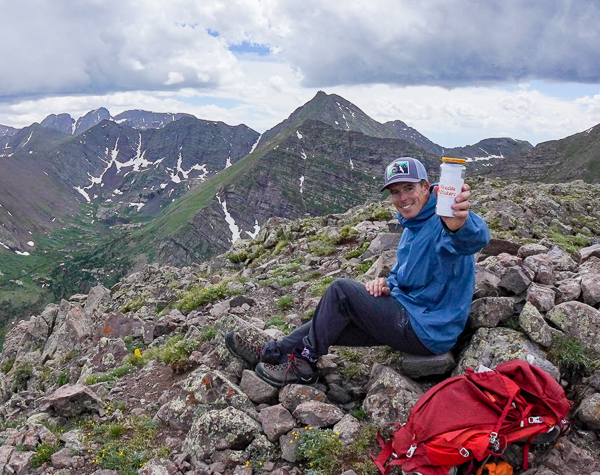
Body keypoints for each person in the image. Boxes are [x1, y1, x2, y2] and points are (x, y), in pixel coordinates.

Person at [226, 157, 490, 387]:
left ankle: (305, 365)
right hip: (411, 313)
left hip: (429, 330)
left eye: (409, 188)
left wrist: (458, 224)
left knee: (341, 290)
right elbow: (408, 275)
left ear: (425, 187)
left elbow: (471, 240)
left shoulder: (445, 219)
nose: (403, 198)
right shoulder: (413, 225)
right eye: (395, 192)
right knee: (329, 322)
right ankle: (271, 353)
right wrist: (387, 283)